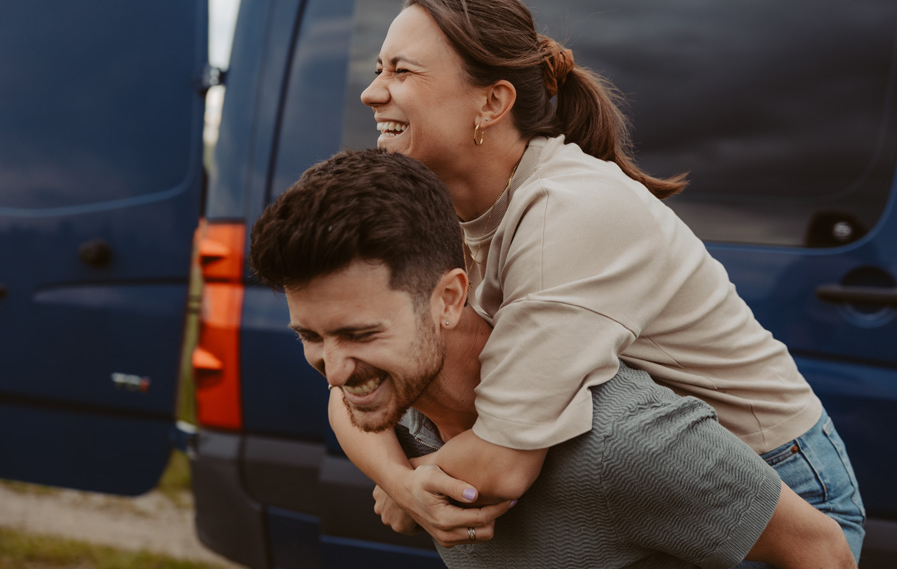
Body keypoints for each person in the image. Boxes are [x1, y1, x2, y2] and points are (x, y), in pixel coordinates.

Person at [338, 0, 867, 560]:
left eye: (401, 71)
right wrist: (402, 482)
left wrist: (408, 484)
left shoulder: (570, 210)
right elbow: (351, 377)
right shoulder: (437, 206)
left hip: (771, 485)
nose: (372, 91)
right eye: (378, 68)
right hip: (646, 477)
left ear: (491, 102)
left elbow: (502, 461)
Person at [248, 148, 856, 568]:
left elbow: (821, 551)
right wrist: (402, 485)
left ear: (450, 299)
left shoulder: (628, 444)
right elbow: (342, 399)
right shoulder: (395, 405)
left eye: (358, 334)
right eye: (311, 337)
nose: (334, 368)